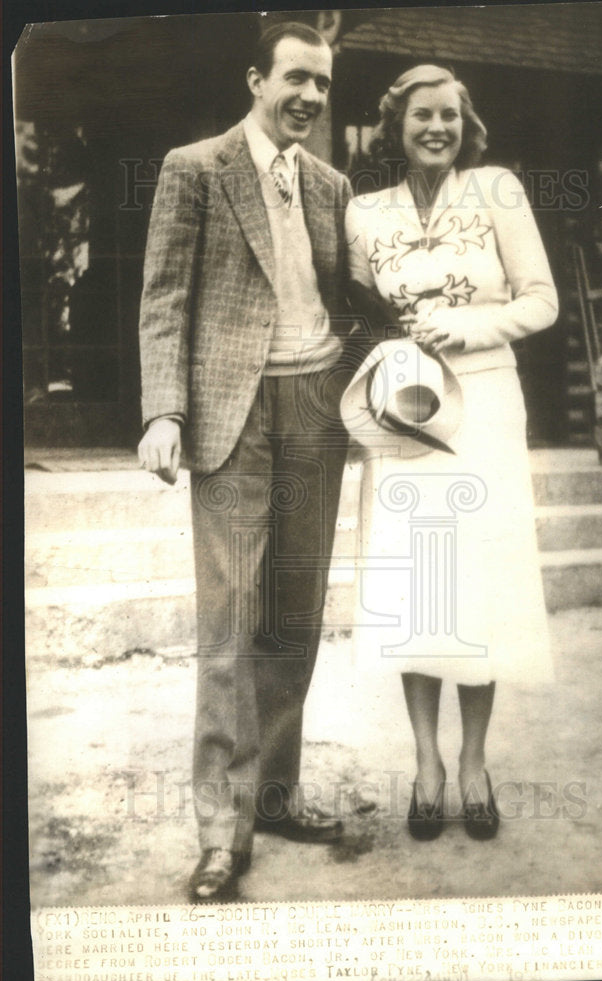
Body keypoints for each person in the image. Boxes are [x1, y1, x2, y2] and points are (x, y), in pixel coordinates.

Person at [137, 21, 352, 901]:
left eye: (323, 85)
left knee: (294, 617)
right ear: (257, 79)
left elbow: (352, 297)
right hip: (233, 414)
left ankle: (275, 793)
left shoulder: (333, 185)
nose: (309, 96)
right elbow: (163, 297)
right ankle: (221, 834)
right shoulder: (195, 167)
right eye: (296, 78)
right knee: (229, 628)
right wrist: (163, 411)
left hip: (316, 407)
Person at [343, 65, 558, 841]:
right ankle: (427, 764)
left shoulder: (497, 189)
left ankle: (475, 763)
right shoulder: (364, 212)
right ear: (395, 125)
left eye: (450, 117)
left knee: (480, 585)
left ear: (467, 127)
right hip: (405, 411)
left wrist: (467, 328)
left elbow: (542, 298)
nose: (437, 128)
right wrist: (390, 351)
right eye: (421, 116)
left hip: (487, 406)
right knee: (419, 587)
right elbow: (357, 312)